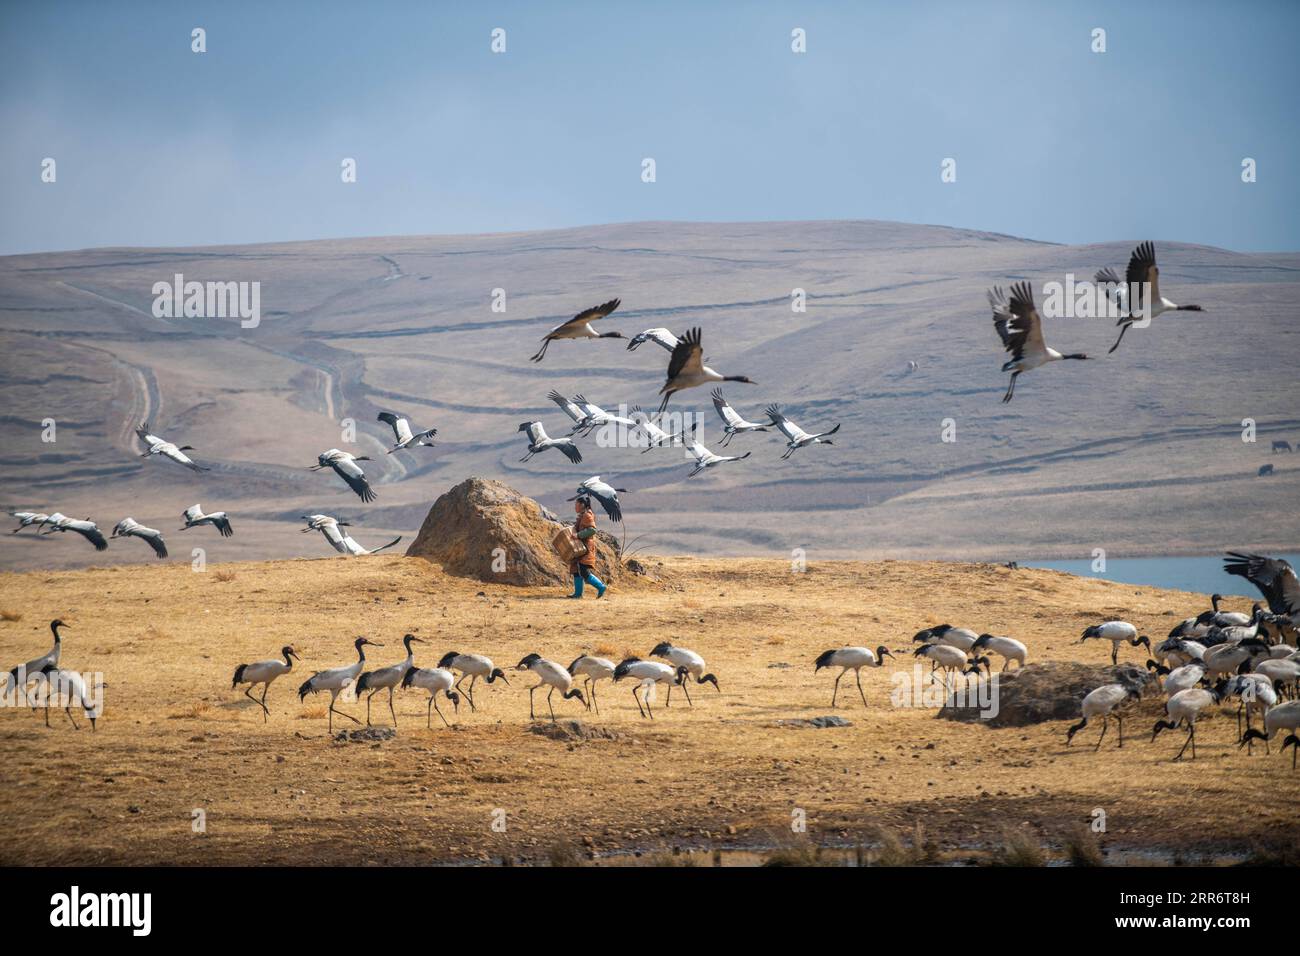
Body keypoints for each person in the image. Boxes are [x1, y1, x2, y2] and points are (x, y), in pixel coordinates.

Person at [568, 496, 607, 599]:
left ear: (582, 505)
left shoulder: (587, 515)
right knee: (576, 569)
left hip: (586, 547)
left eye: (576, 504)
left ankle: (601, 587)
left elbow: (592, 530)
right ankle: (578, 594)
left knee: (584, 572)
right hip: (580, 547)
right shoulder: (582, 515)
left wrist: (578, 535)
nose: (575, 507)